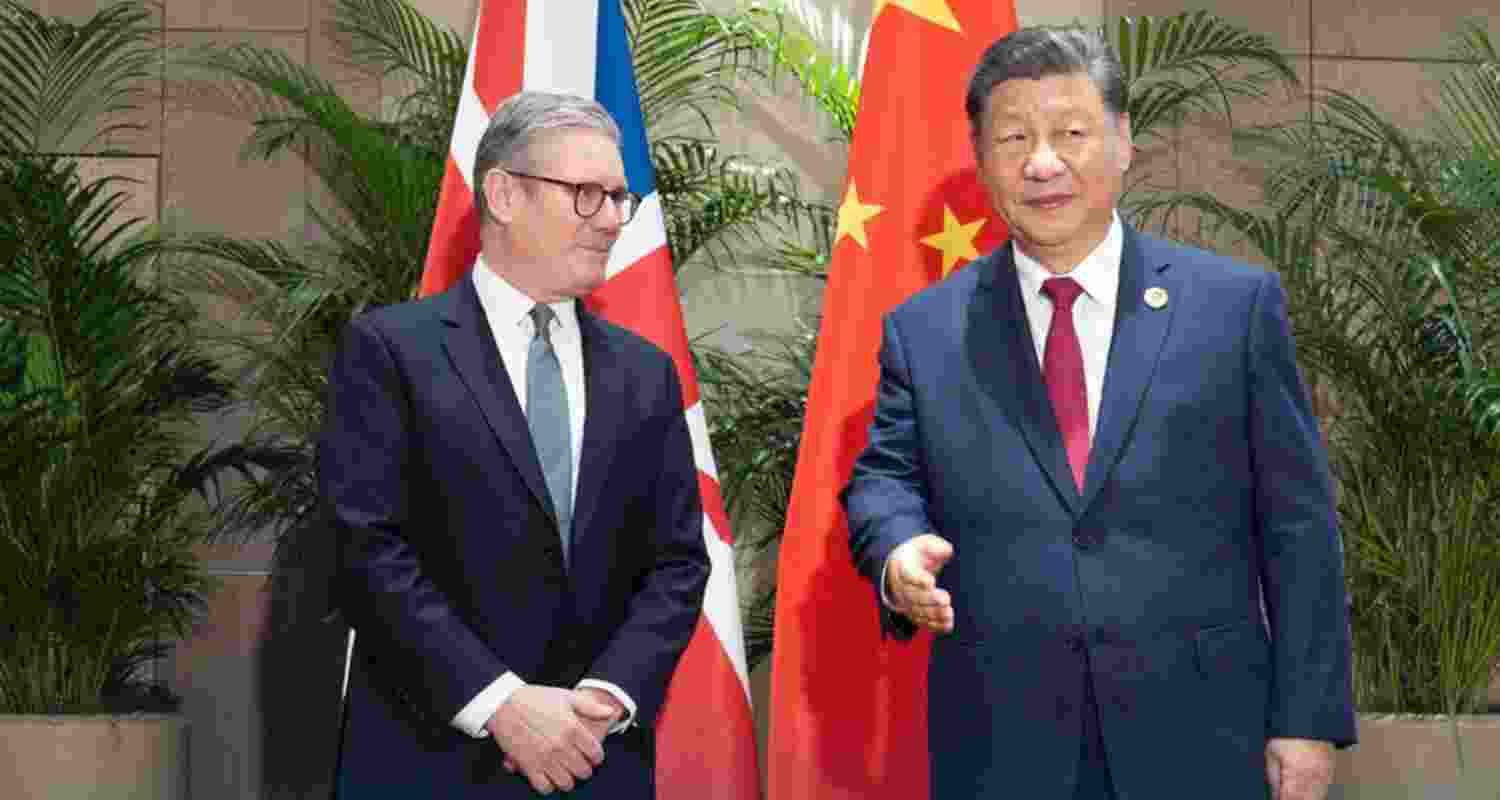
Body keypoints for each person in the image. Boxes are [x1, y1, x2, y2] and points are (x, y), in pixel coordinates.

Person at [842, 27, 1356, 800]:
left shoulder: (1233, 309)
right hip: (1003, 747)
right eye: (1014, 137)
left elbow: (1299, 529)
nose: (1043, 162)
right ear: (981, 159)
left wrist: (1307, 720)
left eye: (1071, 133)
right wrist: (897, 551)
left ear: (1122, 142)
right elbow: (885, 479)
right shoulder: (925, 330)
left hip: (1203, 737)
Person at [320, 91, 709, 799]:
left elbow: (679, 561)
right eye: (587, 195)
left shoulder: (645, 371)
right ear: (502, 193)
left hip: (597, 760)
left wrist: (608, 696)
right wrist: (503, 703)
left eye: (620, 198)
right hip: (428, 761)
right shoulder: (389, 351)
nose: (614, 220)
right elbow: (367, 552)